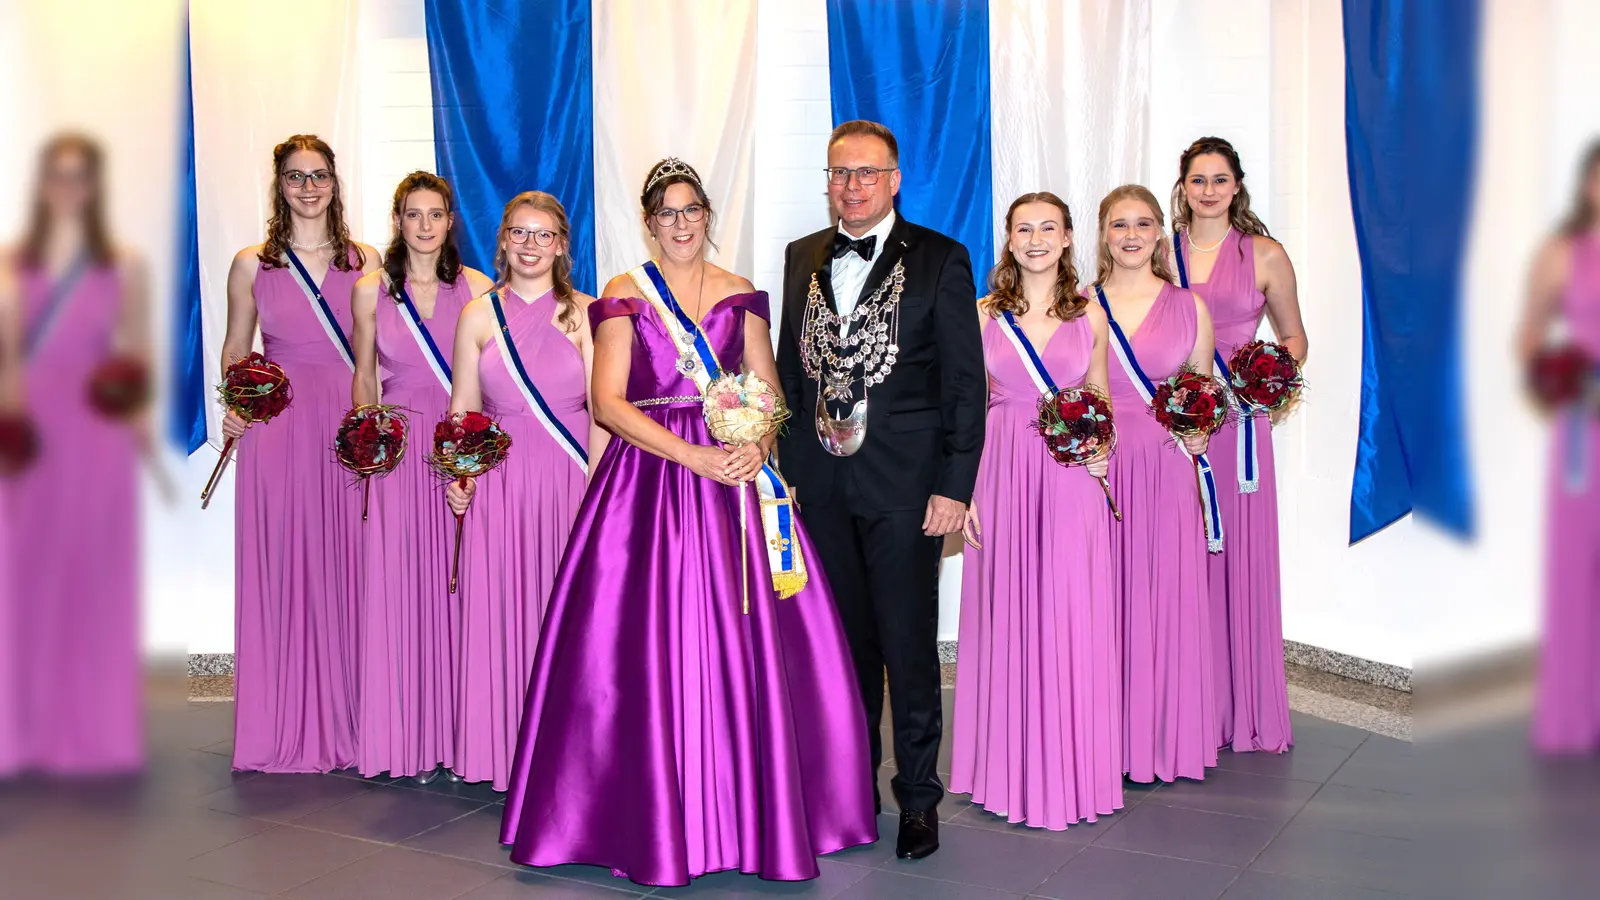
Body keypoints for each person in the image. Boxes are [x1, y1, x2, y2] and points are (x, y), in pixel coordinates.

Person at [499, 158, 875, 886]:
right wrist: (692, 457)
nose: (680, 224)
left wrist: (754, 449)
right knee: (636, 648)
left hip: (733, 484)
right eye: (666, 213)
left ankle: (749, 811)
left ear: (709, 213)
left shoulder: (742, 294)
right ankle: (633, 812)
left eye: (691, 210)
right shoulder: (623, 293)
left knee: (753, 643)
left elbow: (768, 394)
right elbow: (609, 402)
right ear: (649, 222)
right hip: (648, 480)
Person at [776, 119, 986, 859]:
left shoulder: (940, 258)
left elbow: (965, 385)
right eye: (840, 173)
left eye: (867, 173)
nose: (852, 186)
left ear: (894, 179)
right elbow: (791, 380)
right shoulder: (801, 256)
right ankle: (849, 790)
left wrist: (954, 487)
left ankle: (920, 799)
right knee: (844, 648)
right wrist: (786, 476)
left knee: (907, 650)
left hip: (906, 489)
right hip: (822, 488)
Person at [951, 192, 1121, 829]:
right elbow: (962, 412)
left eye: (1049, 227)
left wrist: (1103, 454)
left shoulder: (1092, 315)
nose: (1037, 238)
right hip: (1002, 473)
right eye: (1025, 229)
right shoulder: (983, 314)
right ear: (1009, 239)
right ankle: (1006, 768)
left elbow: (1100, 397)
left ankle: (1072, 768)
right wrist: (963, 489)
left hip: (1072, 476)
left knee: (1070, 612)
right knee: (1010, 614)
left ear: (1070, 237)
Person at [224, 134, 380, 772]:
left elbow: (379, 349)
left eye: (318, 176)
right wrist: (237, 403)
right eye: (295, 177)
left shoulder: (365, 259)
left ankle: (354, 720)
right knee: (286, 562)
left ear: (334, 183)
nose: (308, 187)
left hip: (345, 421)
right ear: (279, 185)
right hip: (278, 427)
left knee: (350, 563)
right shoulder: (250, 263)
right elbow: (237, 349)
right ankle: (282, 721)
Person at [444, 191, 598, 790]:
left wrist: (596, 486)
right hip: (498, 484)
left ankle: (566, 755)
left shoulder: (586, 313)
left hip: (567, 483)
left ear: (562, 244)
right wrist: (459, 478)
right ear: (502, 239)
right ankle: (503, 752)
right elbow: (462, 411)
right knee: (500, 614)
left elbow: (602, 414)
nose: (531, 245)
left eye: (544, 235)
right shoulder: (478, 316)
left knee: (566, 618)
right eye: (519, 233)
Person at [0, 133, 144, 775]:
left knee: (90, 577)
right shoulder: (10, 264)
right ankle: (22, 730)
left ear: (94, 187)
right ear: (41, 184)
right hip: (29, 430)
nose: (67, 187)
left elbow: (130, 357)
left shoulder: (122, 265)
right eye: (56, 175)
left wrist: (129, 418)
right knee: (23, 579)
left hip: (93, 436)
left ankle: (90, 729)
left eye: (79, 176)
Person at [349, 172, 493, 783]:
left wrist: (477, 456)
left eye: (436, 214)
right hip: (400, 452)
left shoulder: (480, 288)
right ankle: (405, 735)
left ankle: (463, 739)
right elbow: (363, 376)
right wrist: (364, 441)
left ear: (451, 221)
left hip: (459, 452)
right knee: (402, 589)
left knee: (461, 589)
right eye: (414, 214)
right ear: (398, 220)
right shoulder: (368, 290)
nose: (426, 225)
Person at [1170, 136, 1307, 755]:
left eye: (1219, 180)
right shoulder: (1161, 253)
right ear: (1183, 187)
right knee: (1182, 559)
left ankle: (1241, 710)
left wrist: (1265, 383)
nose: (1208, 191)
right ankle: (1189, 706)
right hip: (1178, 426)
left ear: (1237, 186)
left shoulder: (1266, 254)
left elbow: (1294, 338)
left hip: (1239, 433)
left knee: (1237, 559)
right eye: (1197, 180)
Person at [1091, 184, 1218, 784]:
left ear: (1160, 234)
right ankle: (1103, 738)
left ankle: (1161, 737)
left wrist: (1200, 432)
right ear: (1103, 235)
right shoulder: (1081, 304)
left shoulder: (1190, 307)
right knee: (1103, 600)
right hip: (1101, 469)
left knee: (1163, 597)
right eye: (1120, 225)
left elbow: (1202, 391)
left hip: (1167, 468)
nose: (1132, 235)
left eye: (1144, 224)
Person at [1526, 140, 1600, 753]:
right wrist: (1559, 377)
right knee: (1580, 565)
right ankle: (1578, 708)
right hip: (1586, 430)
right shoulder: (1561, 253)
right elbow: (1530, 336)